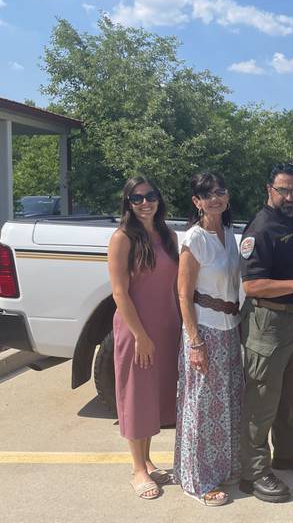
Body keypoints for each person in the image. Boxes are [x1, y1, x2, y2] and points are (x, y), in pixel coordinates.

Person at [238, 163, 293, 503]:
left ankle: (288, 452)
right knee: (261, 402)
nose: (290, 196)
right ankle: (254, 472)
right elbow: (252, 284)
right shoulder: (261, 228)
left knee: (289, 397)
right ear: (269, 190)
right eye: (283, 190)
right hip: (268, 324)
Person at [107, 176, 180, 500]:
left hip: (166, 329)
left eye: (150, 196)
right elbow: (120, 292)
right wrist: (140, 335)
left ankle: (148, 460)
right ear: (128, 203)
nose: (145, 203)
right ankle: (137, 469)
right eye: (137, 199)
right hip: (137, 332)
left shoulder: (168, 236)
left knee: (154, 398)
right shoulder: (122, 238)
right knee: (136, 397)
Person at [173, 172, 244, 506]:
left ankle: (222, 469)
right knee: (202, 406)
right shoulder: (194, 238)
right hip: (205, 329)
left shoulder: (231, 235)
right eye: (207, 194)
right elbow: (184, 295)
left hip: (230, 328)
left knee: (227, 403)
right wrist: (195, 341)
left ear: (227, 198)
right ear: (197, 202)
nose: (215, 198)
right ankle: (198, 480)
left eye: (220, 191)